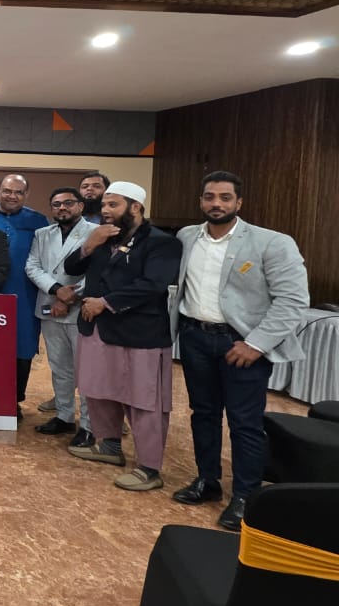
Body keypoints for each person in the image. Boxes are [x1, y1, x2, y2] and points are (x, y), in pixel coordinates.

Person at [171, 171, 309, 530]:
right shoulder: (187, 236)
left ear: (239, 202)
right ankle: (207, 481)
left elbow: (292, 301)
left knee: (245, 423)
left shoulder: (272, 242)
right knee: (203, 414)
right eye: (209, 197)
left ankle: (246, 496)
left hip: (241, 344)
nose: (216, 203)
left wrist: (256, 344)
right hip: (195, 337)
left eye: (225, 197)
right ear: (201, 201)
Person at [65, 182, 182, 492]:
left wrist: (106, 303)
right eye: (104, 205)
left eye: (113, 205)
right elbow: (71, 267)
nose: (105, 210)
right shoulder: (103, 237)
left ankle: (149, 468)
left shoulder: (162, 243)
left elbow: (153, 284)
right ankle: (109, 447)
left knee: (143, 401)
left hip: (139, 334)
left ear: (135, 207)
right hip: (97, 330)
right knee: (99, 392)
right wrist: (89, 244)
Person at [26, 187, 96, 444]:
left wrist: (70, 296)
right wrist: (57, 290)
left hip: (82, 308)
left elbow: (99, 271)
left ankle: (88, 426)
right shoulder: (42, 233)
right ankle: (65, 416)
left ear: (80, 206)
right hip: (49, 306)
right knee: (59, 367)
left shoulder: (95, 232)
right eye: (56, 204)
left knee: (86, 370)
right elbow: (32, 266)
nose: (62, 208)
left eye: (68, 203)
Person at [0, 174, 49, 417]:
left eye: (19, 192)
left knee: (23, 346)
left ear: (26, 195)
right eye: (8, 191)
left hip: (25, 294)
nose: (12, 196)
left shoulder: (38, 221)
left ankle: (14, 400)